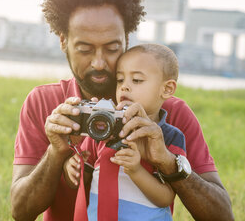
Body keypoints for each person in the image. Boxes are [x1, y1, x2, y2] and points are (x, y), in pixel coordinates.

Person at [10, 0, 234, 220]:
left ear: (127, 39)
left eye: (112, 48)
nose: (98, 63)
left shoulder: (169, 112)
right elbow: (21, 212)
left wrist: (169, 162)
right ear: (63, 41)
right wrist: (56, 153)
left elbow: (221, 215)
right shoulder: (44, 103)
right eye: (84, 49)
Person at [65, 44, 186, 220]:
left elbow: (166, 197)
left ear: (167, 89)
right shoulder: (102, 126)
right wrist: (72, 168)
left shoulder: (169, 136)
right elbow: (80, 181)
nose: (124, 87)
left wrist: (136, 171)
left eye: (136, 80)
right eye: (120, 80)